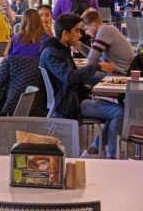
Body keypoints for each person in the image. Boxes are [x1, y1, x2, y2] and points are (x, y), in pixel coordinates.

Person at [40, 13, 123, 158]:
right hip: (70, 104)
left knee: (118, 111)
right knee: (118, 113)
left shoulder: (59, 49)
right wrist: (97, 66)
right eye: (77, 31)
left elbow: (70, 76)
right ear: (65, 34)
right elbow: (69, 77)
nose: (80, 35)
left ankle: (95, 149)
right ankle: (111, 157)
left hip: (75, 98)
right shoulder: (52, 53)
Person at [79, 8, 136, 75]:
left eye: (86, 29)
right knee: (79, 73)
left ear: (93, 25)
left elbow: (91, 61)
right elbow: (93, 57)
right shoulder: (106, 30)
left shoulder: (105, 30)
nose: (86, 33)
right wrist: (78, 45)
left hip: (122, 75)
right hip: (120, 73)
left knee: (81, 76)